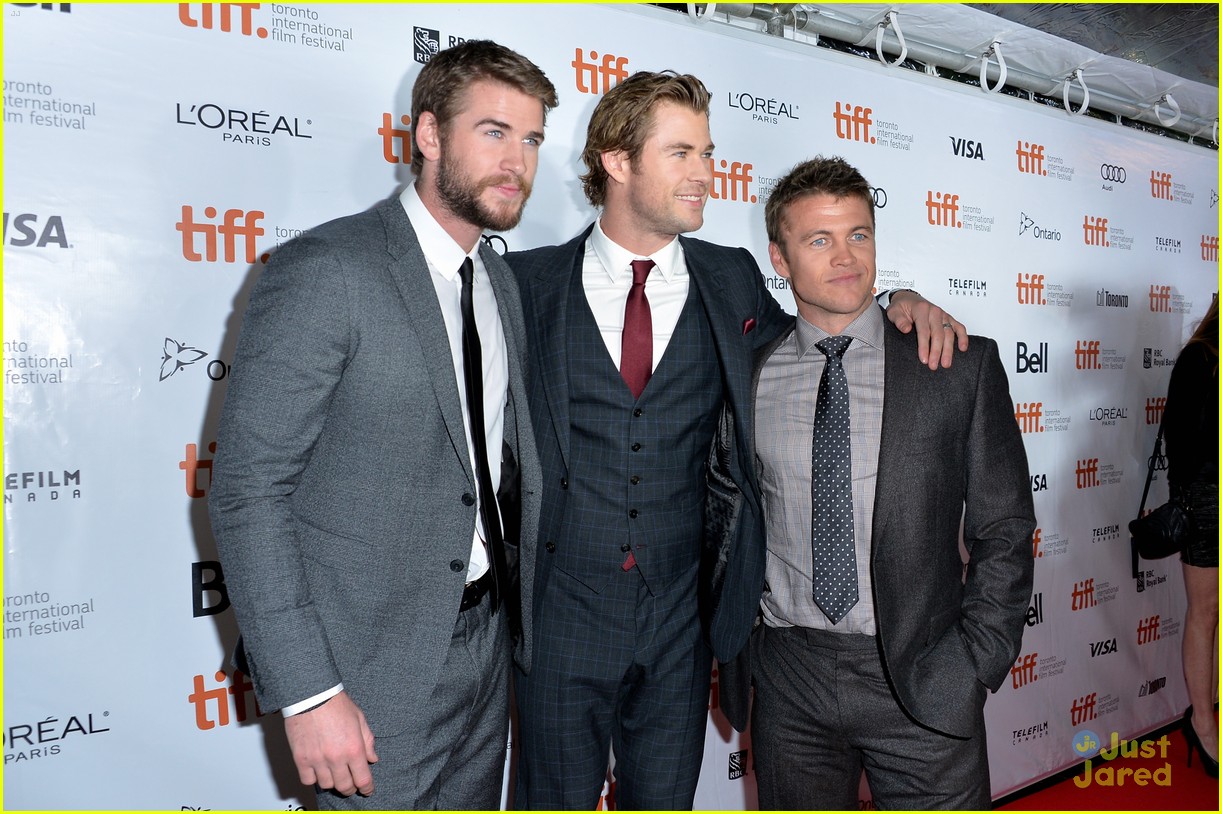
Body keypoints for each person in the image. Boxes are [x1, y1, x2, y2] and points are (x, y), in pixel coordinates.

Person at [504, 73, 968, 810]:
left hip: (683, 627)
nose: (706, 174)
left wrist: (893, 301)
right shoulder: (522, 285)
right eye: (682, 153)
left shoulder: (731, 277)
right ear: (617, 161)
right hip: (561, 620)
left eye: (708, 153)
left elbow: (815, 338)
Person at [207, 40, 555, 809]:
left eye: (531, 139)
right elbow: (247, 490)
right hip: (367, 671)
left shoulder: (497, 278)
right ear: (428, 135)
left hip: (486, 646)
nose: (518, 161)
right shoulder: (329, 270)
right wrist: (308, 693)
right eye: (494, 132)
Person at [711, 156, 1035, 809]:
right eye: (819, 239)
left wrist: (972, 664)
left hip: (924, 674)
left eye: (858, 234)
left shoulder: (955, 364)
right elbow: (724, 519)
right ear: (780, 256)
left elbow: (1006, 529)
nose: (846, 257)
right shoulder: (745, 377)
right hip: (790, 680)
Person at [1162, 295, 1219, 777]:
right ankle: (1203, 724)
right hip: (1207, 508)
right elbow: (1180, 449)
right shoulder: (1199, 358)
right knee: (1205, 615)